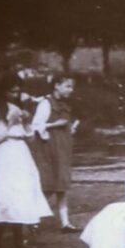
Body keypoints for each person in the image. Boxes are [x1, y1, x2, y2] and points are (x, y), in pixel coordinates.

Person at [0, 75, 53, 248]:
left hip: (20, 152)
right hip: (3, 152)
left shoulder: (19, 108)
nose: (14, 94)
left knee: (20, 192)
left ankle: (19, 239)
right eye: (11, 90)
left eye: (17, 90)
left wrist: (25, 122)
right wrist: (9, 121)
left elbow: (31, 137)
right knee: (4, 194)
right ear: (3, 91)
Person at [30, 75, 80, 233]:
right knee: (49, 185)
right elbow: (36, 125)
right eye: (67, 86)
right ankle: (33, 220)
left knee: (62, 185)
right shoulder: (46, 103)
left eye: (71, 87)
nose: (70, 90)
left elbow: (66, 123)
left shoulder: (64, 104)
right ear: (56, 85)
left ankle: (65, 222)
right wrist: (54, 125)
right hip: (49, 149)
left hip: (63, 147)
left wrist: (71, 128)